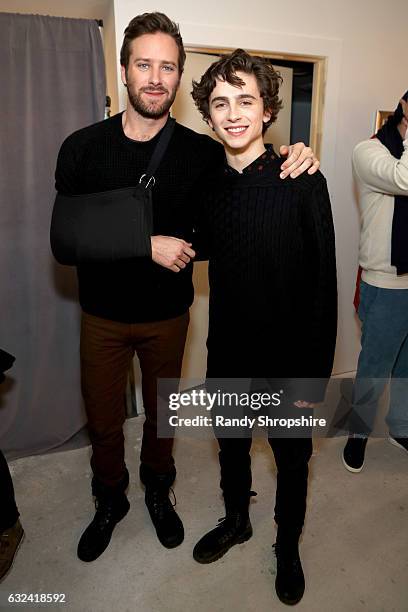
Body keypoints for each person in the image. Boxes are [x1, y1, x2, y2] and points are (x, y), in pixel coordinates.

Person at [52, 12, 320, 563]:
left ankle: (160, 491)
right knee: (105, 421)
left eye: (167, 66)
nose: (155, 76)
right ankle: (111, 501)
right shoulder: (81, 147)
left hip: (172, 317)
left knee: (163, 417)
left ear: (177, 77)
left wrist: (298, 151)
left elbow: (247, 189)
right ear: (123, 70)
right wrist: (143, 243)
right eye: (143, 64)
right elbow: (64, 238)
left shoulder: (201, 155)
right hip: (108, 315)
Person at [190, 50, 337, 605]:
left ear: (268, 109)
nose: (233, 113)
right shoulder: (208, 187)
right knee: (230, 447)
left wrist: (314, 379)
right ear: (207, 115)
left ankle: (287, 545)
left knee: (291, 458)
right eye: (220, 103)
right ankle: (237, 520)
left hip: (289, 358)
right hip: (228, 351)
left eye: (245, 100)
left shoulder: (302, 180)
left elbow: (324, 280)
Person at [342, 93, 408, 473]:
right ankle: (358, 433)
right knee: (374, 365)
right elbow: (404, 178)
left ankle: (400, 426)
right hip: (386, 283)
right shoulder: (369, 151)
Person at [0, 349, 24, 582]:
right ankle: (110, 498)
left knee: (165, 410)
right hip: (102, 320)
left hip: (164, 323)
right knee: (102, 425)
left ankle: (160, 482)